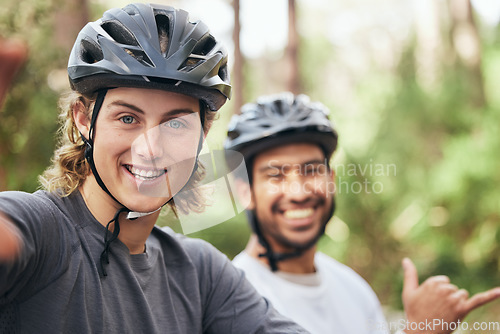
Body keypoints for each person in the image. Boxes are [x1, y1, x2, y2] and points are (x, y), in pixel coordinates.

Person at [0, 4, 308, 333]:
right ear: (84, 119)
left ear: (202, 134)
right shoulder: (39, 229)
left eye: (175, 124)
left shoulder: (200, 273)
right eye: (128, 118)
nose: (150, 149)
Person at [224, 92, 500, 334]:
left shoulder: (353, 289)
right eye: (277, 175)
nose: (299, 192)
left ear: (331, 179)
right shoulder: (231, 301)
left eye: (311, 170)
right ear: (245, 192)